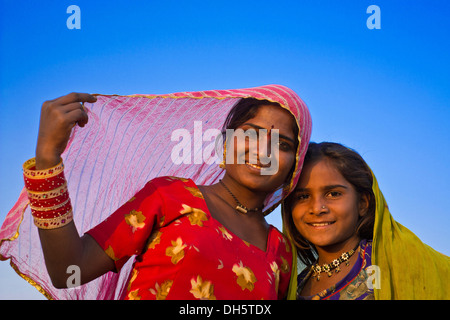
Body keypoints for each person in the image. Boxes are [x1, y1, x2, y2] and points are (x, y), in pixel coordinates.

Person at [0, 85, 312, 300]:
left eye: (282, 145)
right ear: (222, 146)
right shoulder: (170, 197)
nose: (262, 150)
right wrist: (47, 159)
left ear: (294, 167)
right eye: (251, 134)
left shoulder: (281, 251)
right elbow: (69, 269)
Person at [282, 142, 450, 300]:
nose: (317, 208)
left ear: (363, 203)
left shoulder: (390, 262)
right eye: (303, 196)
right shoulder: (293, 283)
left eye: (333, 194)